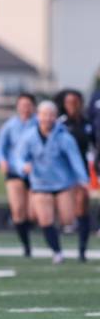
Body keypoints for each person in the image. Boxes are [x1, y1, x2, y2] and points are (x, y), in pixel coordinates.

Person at [14, 100, 88, 264]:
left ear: (55, 117)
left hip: (62, 184)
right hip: (40, 184)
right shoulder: (29, 136)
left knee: (67, 219)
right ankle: (57, 252)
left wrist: (83, 180)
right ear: (38, 116)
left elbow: (75, 160)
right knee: (45, 220)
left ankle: (71, 231)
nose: (47, 118)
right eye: (44, 115)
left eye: (51, 115)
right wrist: (22, 167)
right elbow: (18, 156)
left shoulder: (64, 137)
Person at [0, 93, 38, 257]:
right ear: (18, 107)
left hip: (36, 173)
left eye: (28, 105)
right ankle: (26, 246)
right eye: (22, 105)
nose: (25, 108)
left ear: (33, 107)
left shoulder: (39, 124)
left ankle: (31, 227)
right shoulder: (10, 126)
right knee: (18, 210)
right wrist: (2, 161)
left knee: (33, 213)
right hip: (14, 172)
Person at [59, 90, 93, 261]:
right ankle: (57, 248)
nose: (72, 106)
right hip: (63, 172)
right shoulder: (61, 124)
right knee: (66, 213)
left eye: (75, 102)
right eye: (68, 103)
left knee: (82, 206)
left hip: (82, 171)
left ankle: (82, 249)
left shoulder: (88, 123)